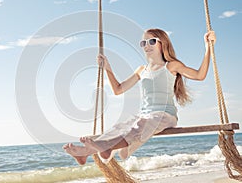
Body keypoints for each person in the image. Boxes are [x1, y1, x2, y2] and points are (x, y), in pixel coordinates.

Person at [63, 28, 216, 165]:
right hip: (145, 115)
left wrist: (208, 47)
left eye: (152, 41)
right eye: (143, 43)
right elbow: (118, 89)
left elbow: (200, 75)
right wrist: (107, 68)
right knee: (120, 127)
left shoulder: (170, 65)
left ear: (163, 43)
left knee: (142, 124)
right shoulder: (142, 70)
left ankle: (104, 148)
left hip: (165, 115)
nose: (147, 45)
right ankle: (84, 154)